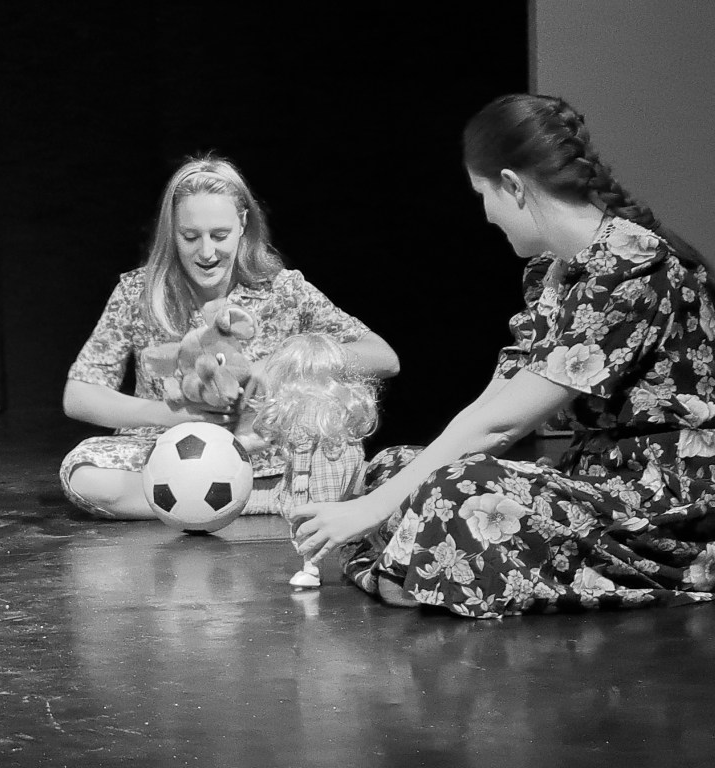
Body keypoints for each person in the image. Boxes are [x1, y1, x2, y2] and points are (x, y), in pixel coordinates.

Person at [292, 93, 715, 619]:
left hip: (665, 502)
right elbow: (494, 403)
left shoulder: (633, 268)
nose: (486, 215)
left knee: (456, 489)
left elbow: (502, 427)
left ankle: (404, 570)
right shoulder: (555, 271)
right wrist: (384, 494)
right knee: (394, 465)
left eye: (482, 194)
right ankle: (412, 569)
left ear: (512, 185)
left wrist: (374, 510)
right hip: (594, 477)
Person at [61, 154, 399, 519]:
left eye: (219, 236)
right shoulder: (138, 292)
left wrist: (283, 363)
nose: (206, 252)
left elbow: (383, 357)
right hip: (167, 454)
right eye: (190, 237)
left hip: (263, 454)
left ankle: (221, 503)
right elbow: (79, 395)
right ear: (172, 231)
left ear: (242, 224)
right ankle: (256, 502)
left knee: (336, 454)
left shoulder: (283, 290)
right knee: (85, 476)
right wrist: (174, 416)